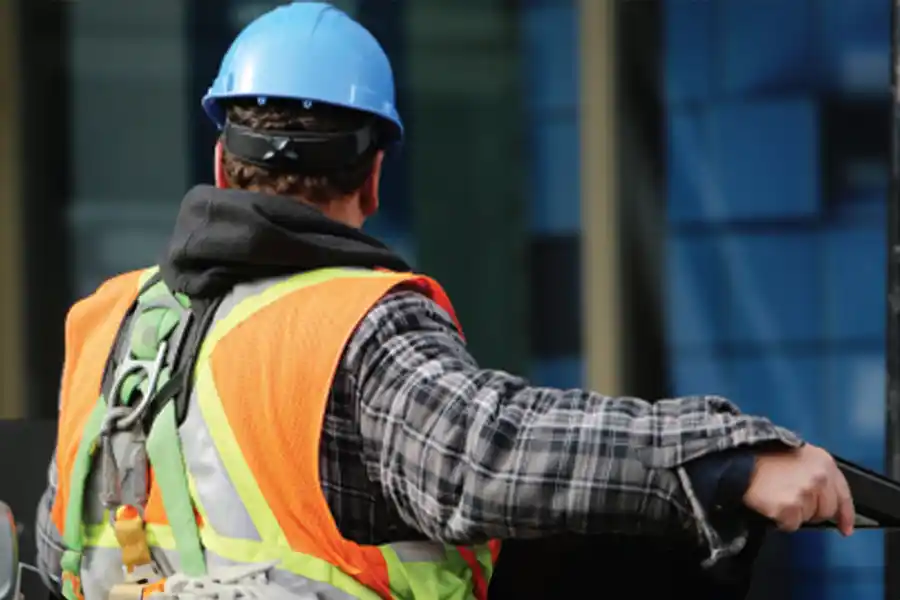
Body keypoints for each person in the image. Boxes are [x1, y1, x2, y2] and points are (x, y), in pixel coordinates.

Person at [35, 2, 855, 599]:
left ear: (221, 164)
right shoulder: (354, 327)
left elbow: (60, 540)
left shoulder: (109, 321)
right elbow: (486, 455)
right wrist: (726, 457)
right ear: (376, 177)